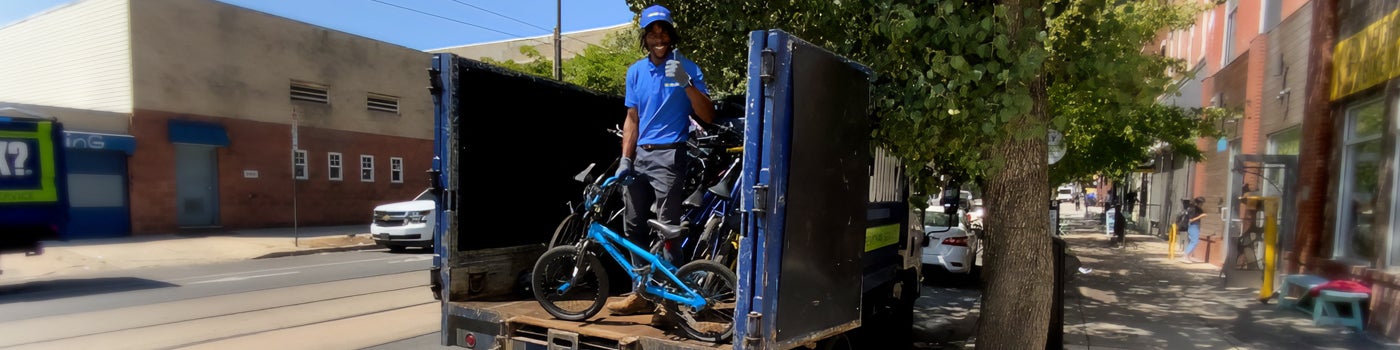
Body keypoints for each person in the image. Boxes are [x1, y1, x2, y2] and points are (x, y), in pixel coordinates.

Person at [607, 4, 716, 317]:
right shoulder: (636, 71)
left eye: (663, 31)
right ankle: (640, 294)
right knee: (633, 228)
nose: (659, 38)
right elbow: (632, 118)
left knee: (667, 230)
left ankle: (669, 302)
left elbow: (707, 115)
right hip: (640, 155)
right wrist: (625, 159)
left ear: (671, 34)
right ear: (645, 37)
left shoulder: (688, 68)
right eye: (653, 33)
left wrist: (685, 82)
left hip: (671, 154)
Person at [1179, 197, 1208, 263]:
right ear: (1199, 203)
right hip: (1193, 226)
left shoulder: (1197, 209)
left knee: (1193, 241)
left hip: (1195, 226)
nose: (1202, 205)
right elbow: (1191, 220)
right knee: (1194, 241)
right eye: (1202, 203)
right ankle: (1185, 256)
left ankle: (1187, 256)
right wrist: (1201, 216)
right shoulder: (1193, 209)